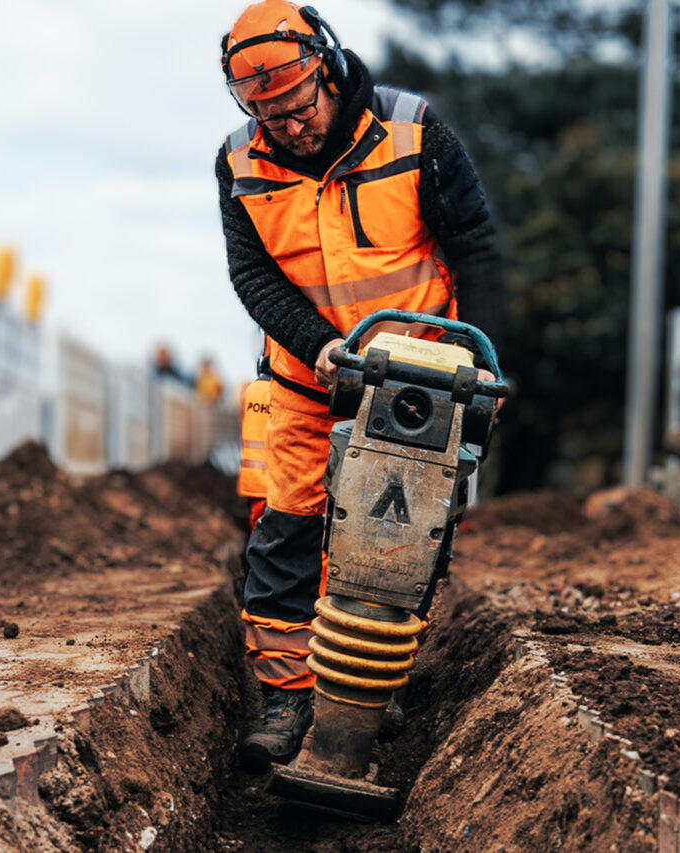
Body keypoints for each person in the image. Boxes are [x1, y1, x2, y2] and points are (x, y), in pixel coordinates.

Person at [214, 0, 505, 769]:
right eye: (268, 114)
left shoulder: (414, 131)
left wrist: (482, 367)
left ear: (330, 69)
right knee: (287, 531)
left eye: (298, 105)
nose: (289, 126)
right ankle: (286, 700)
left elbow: (474, 244)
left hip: (416, 380)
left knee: (400, 535)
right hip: (309, 375)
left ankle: (373, 685)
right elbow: (253, 275)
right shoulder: (240, 163)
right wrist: (318, 345)